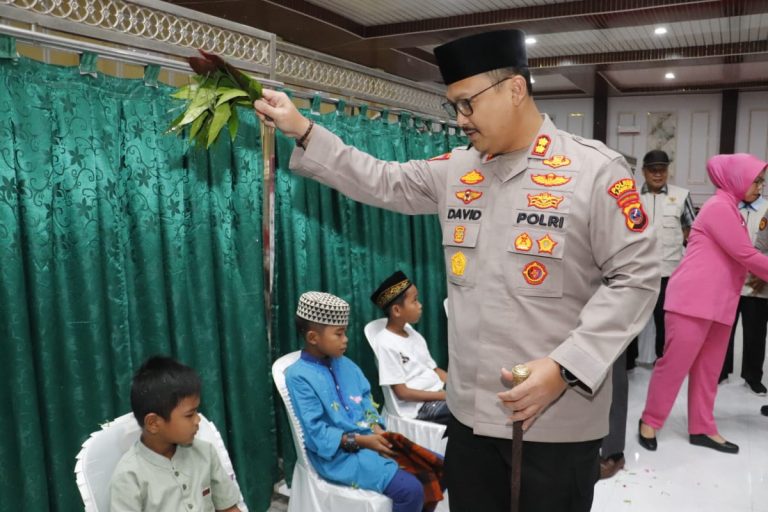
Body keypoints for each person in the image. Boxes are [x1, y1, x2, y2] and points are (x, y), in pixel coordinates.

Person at [255, 29, 659, 512]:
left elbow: (635, 278)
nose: (460, 120)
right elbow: (382, 180)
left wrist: (564, 368)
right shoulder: (458, 170)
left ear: (514, 89)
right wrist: (304, 129)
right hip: (468, 418)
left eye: (467, 104)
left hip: (555, 420)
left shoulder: (594, 171)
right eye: (454, 107)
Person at [639, 154, 768, 455]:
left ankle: (702, 427)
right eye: (756, 181)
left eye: (762, 182)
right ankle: (650, 420)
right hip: (692, 302)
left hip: (720, 304)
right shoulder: (718, 208)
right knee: (673, 366)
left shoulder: (731, 209)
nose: (760, 187)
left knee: (709, 371)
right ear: (736, 179)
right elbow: (746, 256)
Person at [285, 291, 426, 512]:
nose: (346, 340)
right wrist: (363, 441)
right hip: (337, 457)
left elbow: (367, 402)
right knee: (411, 490)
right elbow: (317, 434)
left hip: (371, 441)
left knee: (435, 466)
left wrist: (377, 429)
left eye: (345, 332)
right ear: (313, 338)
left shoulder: (347, 365)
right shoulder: (298, 376)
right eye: (339, 334)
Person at [109, 356, 242, 512]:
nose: (198, 420)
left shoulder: (205, 453)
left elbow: (228, 508)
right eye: (189, 415)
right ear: (153, 423)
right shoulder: (129, 476)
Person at [627, 149, 696, 367]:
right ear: (643, 171)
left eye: (662, 169)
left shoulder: (681, 196)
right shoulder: (631, 196)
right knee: (631, 319)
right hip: (638, 270)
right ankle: (628, 362)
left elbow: (692, 234)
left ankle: (664, 361)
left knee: (666, 322)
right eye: (653, 170)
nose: (658, 174)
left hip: (669, 273)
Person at [370, 270, 450, 425]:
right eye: (414, 301)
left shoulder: (414, 335)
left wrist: (456, 387)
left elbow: (435, 370)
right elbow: (402, 393)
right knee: (464, 415)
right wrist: (445, 396)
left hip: (439, 393)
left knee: (473, 402)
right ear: (397, 310)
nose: (420, 305)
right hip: (418, 407)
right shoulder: (385, 343)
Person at [718, 196, 768, 395]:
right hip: (729, 281)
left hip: (758, 284)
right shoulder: (727, 206)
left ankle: (753, 376)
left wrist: (763, 274)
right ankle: (720, 371)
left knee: (756, 333)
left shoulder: (767, 208)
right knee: (721, 331)